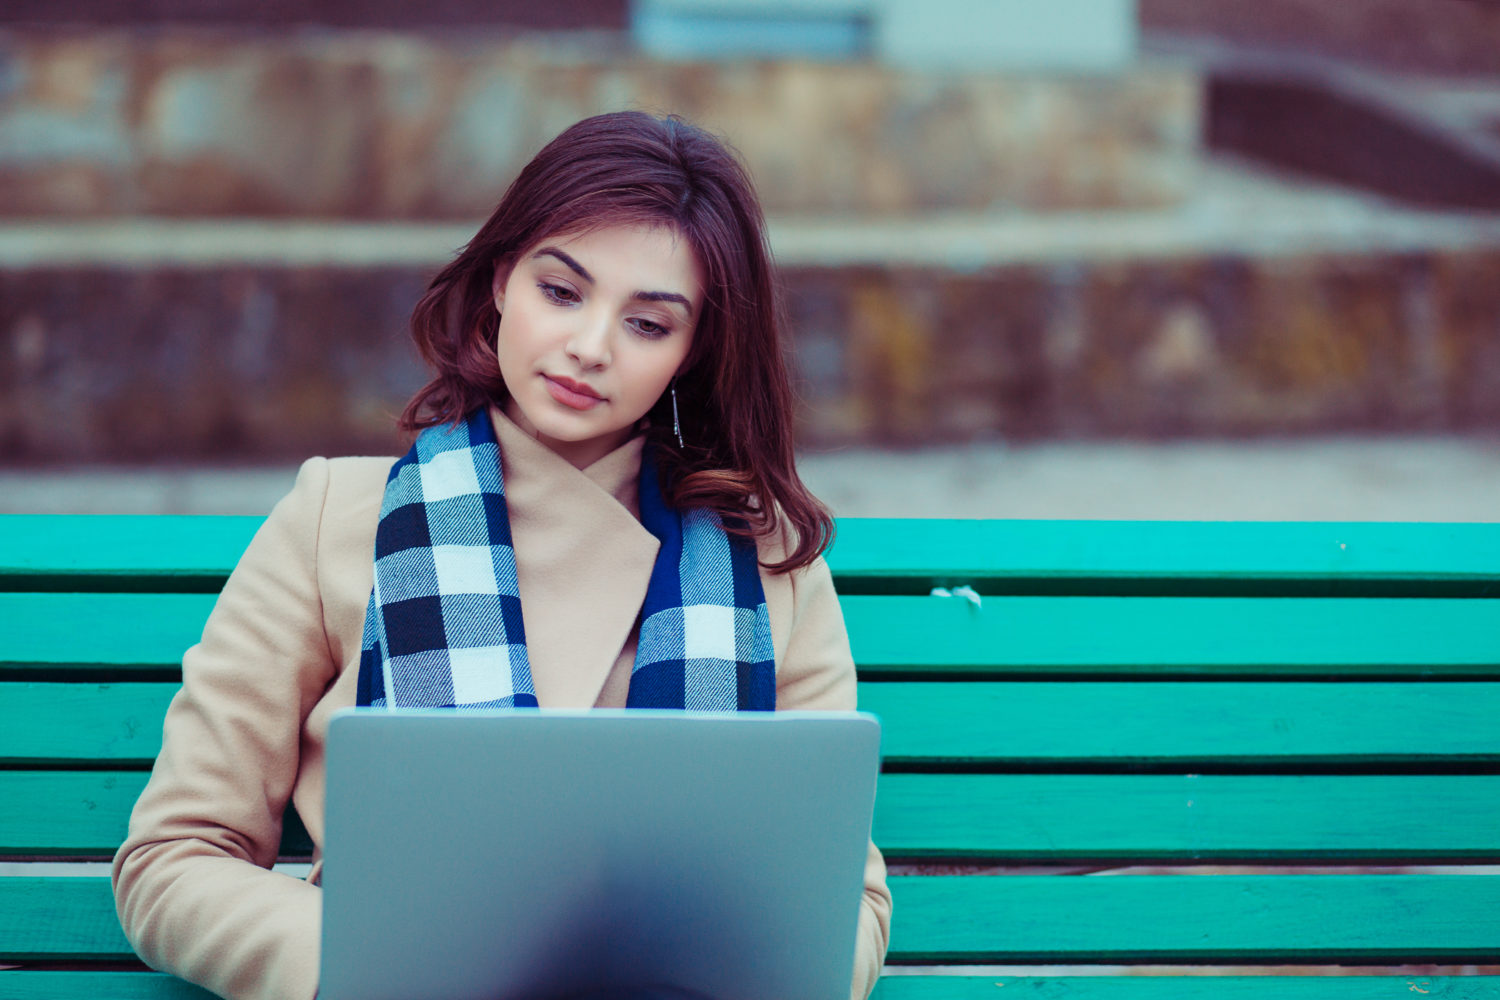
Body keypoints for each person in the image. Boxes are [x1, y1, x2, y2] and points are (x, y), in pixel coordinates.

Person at [111, 111, 892, 1000]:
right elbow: (173, 858)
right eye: (561, 291)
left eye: (647, 324)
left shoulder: (769, 564)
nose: (588, 347)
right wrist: (382, 967)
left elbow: (848, 908)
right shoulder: (337, 518)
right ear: (498, 281)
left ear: (693, 352)